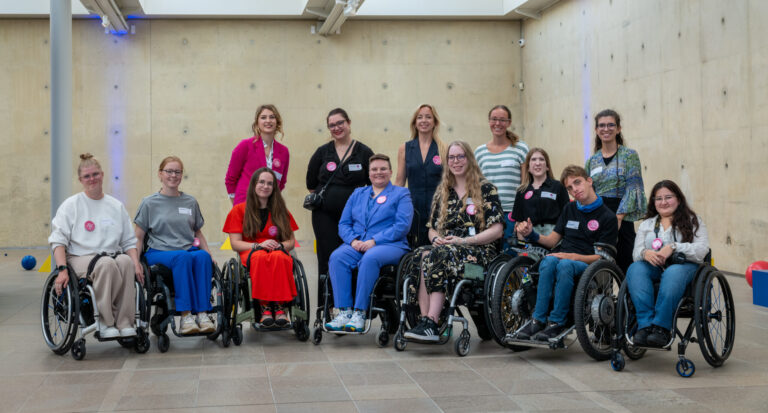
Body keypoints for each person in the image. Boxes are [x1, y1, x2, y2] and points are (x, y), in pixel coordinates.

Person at [404, 141, 504, 342]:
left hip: (478, 264)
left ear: (469, 159)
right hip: (447, 251)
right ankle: (425, 321)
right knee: (419, 255)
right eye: (451, 157)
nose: (456, 161)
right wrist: (437, 239)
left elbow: (498, 230)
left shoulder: (486, 189)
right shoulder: (443, 191)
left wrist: (465, 241)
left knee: (441, 255)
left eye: (460, 156)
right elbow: (431, 228)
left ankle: (432, 321)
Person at [514, 165, 618, 341]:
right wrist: (531, 234)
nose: (574, 190)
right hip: (564, 259)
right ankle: (538, 320)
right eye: (569, 188)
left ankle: (557, 322)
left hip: (587, 264)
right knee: (547, 261)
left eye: (577, 183)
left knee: (564, 264)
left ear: (589, 181)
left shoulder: (607, 217)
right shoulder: (569, 209)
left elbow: (603, 257)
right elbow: (552, 241)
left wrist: (572, 257)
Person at [48, 153, 142, 339]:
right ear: (80, 179)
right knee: (106, 264)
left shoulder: (115, 206)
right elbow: (58, 241)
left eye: (95, 174)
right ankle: (105, 321)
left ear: (103, 174)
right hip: (80, 257)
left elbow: (129, 242)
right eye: (87, 176)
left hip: (112, 256)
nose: (92, 179)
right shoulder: (71, 205)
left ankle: (124, 322)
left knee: (125, 262)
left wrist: (136, 263)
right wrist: (61, 270)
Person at [325, 154, 413, 331]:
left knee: (370, 258)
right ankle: (344, 312)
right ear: (368, 172)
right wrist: (353, 240)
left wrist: (375, 240)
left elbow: (402, 226)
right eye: (374, 169)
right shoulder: (358, 193)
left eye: (382, 169)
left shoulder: (401, 194)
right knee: (337, 257)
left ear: (390, 171)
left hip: (391, 245)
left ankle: (360, 313)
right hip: (359, 244)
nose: (378, 172)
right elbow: (344, 223)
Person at [134, 156, 216, 334]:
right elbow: (138, 237)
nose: (173, 175)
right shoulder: (149, 203)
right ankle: (186, 315)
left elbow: (198, 232)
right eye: (169, 171)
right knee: (183, 257)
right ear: (160, 174)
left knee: (202, 257)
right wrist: (135, 263)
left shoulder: (190, 202)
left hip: (186, 249)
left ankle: (202, 313)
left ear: (181, 175)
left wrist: (209, 253)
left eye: (177, 172)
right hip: (159, 252)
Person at [626, 180, 709, 347]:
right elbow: (636, 253)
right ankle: (645, 325)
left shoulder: (693, 220)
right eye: (658, 198)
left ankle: (661, 328)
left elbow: (702, 250)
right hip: (655, 267)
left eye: (668, 197)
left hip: (686, 268)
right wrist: (645, 253)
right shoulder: (647, 224)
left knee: (673, 272)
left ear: (678, 199)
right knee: (635, 268)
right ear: (653, 202)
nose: (663, 202)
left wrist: (673, 247)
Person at [306, 108, 374, 295]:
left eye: (340, 123)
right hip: (325, 216)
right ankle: (327, 307)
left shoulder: (364, 152)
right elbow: (311, 184)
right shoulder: (322, 152)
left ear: (349, 123)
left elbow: (374, 184)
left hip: (355, 218)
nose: (336, 128)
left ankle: (349, 305)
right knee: (326, 257)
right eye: (332, 125)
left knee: (353, 256)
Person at [223, 168, 299, 326]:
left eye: (270, 183)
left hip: (276, 250)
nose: (265, 186)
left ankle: (280, 308)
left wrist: (280, 245)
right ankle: (264, 308)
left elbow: (290, 241)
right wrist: (257, 245)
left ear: (274, 188)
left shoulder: (281, 211)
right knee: (259, 258)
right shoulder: (239, 210)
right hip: (251, 251)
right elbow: (235, 243)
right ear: (253, 185)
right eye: (261, 182)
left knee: (280, 257)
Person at [585, 109, 646, 273]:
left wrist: (618, 217)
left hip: (622, 216)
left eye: (611, 125)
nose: (606, 129)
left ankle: (627, 298)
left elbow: (633, 188)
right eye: (602, 125)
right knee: (599, 267)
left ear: (618, 129)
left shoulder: (629, 155)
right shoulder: (592, 160)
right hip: (599, 215)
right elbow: (588, 190)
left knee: (626, 264)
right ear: (596, 130)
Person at [475, 105, 529, 254]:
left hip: (512, 214)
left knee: (513, 254)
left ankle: (523, 278)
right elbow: (476, 186)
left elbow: (525, 185)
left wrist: (521, 216)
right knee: (489, 256)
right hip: (488, 214)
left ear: (509, 122)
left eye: (502, 120)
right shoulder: (479, 152)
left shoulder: (521, 148)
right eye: (494, 119)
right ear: (489, 121)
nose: (497, 123)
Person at [394, 104, 444, 247]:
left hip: (438, 208)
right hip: (413, 207)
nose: (424, 120)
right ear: (414, 123)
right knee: (414, 248)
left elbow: (450, 182)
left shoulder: (443, 148)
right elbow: (400, 181)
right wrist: (391, 205)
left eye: (428, 117)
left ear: (435, 122)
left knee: (436, 248)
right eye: (420, 117)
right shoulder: (405, 148)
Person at [226, 104, 290, 205]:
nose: (268, 121)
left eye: (272, 117)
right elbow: (230, 179)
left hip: (270, 207)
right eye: (263, 117)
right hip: (245, 205)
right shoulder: (245, 146)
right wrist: (237, 206)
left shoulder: (284, 152)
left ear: (277, 121)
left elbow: (281, 183)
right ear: (257, 123)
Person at [512, 148, 570, 237]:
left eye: (541, 159)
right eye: (533, 159)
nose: (538, 163)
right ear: (528, 168)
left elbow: (567, 216)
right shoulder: (521, 191)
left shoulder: (558, 187)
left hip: (555, 235)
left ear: (547, 166)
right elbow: (519, 224)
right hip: (529, 236)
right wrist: (522, 250)